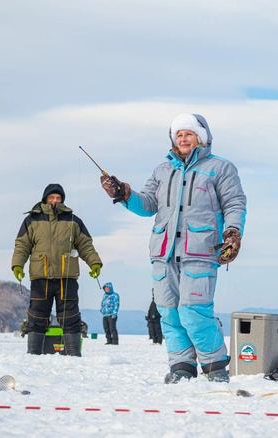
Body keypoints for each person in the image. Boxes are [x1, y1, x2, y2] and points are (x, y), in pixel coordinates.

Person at [100, 113, 247, 384]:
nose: (183, 138)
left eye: (188, 134)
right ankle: (181, 366)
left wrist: (233, 232)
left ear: (201, 137)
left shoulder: (220, 168)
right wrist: (123, 194)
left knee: (193, 310)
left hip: (201, 252)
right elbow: (147, 205)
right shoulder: (161, 170)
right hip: (163, 253)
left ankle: (215, 367)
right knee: (168, 311)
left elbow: (235, 203)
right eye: (178, 135)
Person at [11, 183, 103, 357]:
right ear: (45, 198)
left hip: (66, 276)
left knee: (70, 316)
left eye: (58, 198)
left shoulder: (72, 220)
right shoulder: (32, 220)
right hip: (40, 275)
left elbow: (85, 245)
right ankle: (33, 354)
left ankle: (74, 354)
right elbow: (22, 245)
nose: (55, 201)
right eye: (52, 197)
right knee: (37, 315)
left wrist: (94, 263)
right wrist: (17, 265)